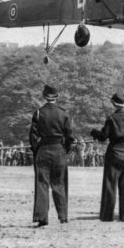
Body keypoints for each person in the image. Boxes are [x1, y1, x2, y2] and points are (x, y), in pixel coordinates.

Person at [29, 84, 75, 227]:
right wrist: (65, 150)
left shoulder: (38, 113)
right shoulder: (64, 114)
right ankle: (63, 216)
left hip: (43, 149)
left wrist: (36, 150)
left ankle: (42, 218)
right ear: (57, 97)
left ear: (44, 96)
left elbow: (32, 136)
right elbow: (70, 136)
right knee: (59, 184)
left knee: (42, 184)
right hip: (59, 150)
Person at [91, 92, 124, 222]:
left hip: (114, 153)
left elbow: (103, 137)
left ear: (114, 104)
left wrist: (94, 133)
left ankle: (108, 216)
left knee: (110, 185)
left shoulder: (111, 118)